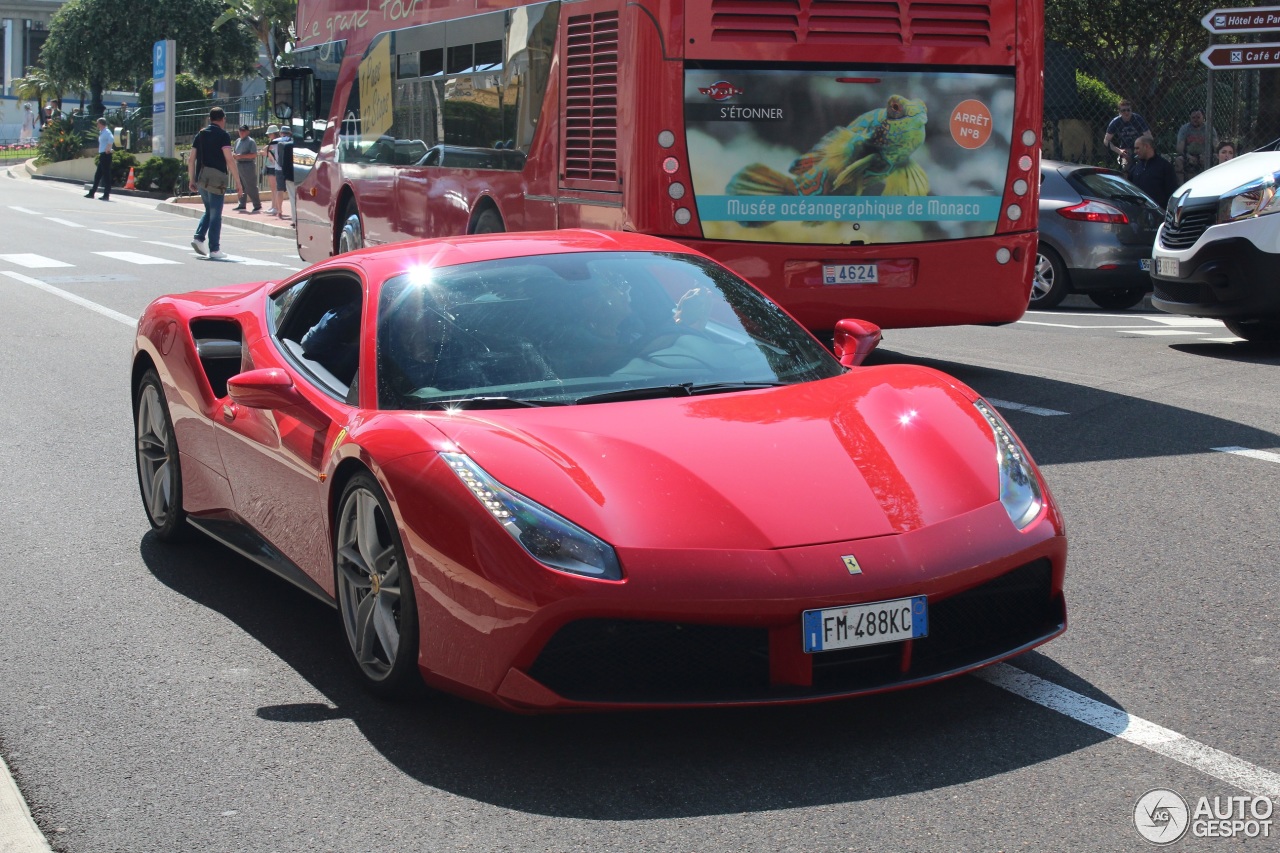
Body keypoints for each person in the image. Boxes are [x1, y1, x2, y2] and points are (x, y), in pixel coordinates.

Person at [188, 106, 235, 260]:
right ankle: (214, 249)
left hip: (202, 178)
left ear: (210, 119)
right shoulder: (223, 135)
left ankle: (199, 237)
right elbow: (229, 158)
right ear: (223, 119)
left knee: (209, 210)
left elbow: (191, 158)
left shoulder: (200, 134)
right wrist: (239, 182)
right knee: (216, 215)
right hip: (217, 180)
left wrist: (191, 179)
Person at [1128, 136, 1178, 208]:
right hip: (1138, 210)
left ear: (1147, 146)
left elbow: (1171, 191)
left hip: (1159, 210)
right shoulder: (1136, 168)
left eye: (1137, 148)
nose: (1135, 151)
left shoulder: (1164, 166)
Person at [1103, 99, 1153, 168]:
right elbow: (1106, 140)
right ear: (1119, 112)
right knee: (1125, 167)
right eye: (1123, 110)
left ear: (1131, 110)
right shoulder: (1115, 122)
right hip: (1125, 149)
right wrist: (1119, 151)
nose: (1126, 112)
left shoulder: (1137, 119)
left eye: (1128, 110)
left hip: (1139, 147)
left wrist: (1144, 148)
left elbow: (1149, 137)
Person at [1175, 109, 1219, 183]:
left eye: (1198, 117)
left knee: (1216, 158)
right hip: (1189, 155)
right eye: (1193, 118)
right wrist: (1188, 156)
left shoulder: (1209, 129)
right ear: (1190, 118)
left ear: (1203, 117)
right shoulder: (1185, 129)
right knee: (1178, 160)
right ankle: (1181, 186)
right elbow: (1179, 148)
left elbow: (1216, 146)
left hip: (1206, 155)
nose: (1196, 120)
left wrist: (1207, 155)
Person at [231, 124, 261, 213]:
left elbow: (254, 154)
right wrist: (234, 155)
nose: (241, 132)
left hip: (248, 164)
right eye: (240, 131)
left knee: (251, 186)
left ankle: (257, 205)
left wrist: (241, 156)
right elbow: (234, 151)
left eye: (243, 131)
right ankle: (241, 204)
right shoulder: (237, 141)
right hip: (239, 164)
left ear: (248, 132)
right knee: (240, 185)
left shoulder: (251, 141)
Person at [84, 118, 114, 201]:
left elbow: (111, 139)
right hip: (102, 155)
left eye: (98, 124)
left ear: (101, 124)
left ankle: (106, 194)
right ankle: (92, 192)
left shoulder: (107, 131)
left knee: (106, 175)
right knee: (98, 175)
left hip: (106, 155)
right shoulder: (102, 132)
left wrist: (108, 148)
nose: (97, 125)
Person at [276, 125, 296, 222]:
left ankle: (295, 220)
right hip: (303, 175)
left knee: (292, 198)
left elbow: (281, 163)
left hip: (289, 176)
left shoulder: (284, 145)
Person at [262, 125, 283, 215]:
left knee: (275, 188)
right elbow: (263, 151)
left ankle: (276, 207)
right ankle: (273, 206)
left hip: (274, 167)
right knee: (273, 188)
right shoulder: (273, 142)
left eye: (270, 134)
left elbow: (264, 150)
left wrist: (268, 154)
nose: (269, 135)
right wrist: (268, 154)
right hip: (270, 166)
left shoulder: (276, 142)